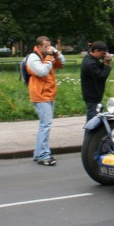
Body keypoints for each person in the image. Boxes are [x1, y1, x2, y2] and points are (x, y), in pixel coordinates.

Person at [26, 36, 66, 166]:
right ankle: (44, 155)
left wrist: (56, 53)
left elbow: (62, 64)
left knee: (44, 125)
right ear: (39, 46)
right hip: (40, 94)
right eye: (45, 47)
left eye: (49, 46)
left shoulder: (47, 55)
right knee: (45, 125)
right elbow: (42, 71)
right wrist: (49, 57)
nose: (48, 48)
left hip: (49, 94)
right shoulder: (33, 57)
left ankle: (38, 153)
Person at [80, 41, 113, 121]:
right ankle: (90, 134)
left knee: (93, 118)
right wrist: (106, 64)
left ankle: (91, 133)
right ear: (96, 51)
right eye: (102, 53)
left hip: (93, 94)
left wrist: (106, 62)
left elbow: (98, 69)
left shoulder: (90, 59)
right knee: (93, 120)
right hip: (92, 95)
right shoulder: (90, 63)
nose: (103, 56)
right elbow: (101, 76)